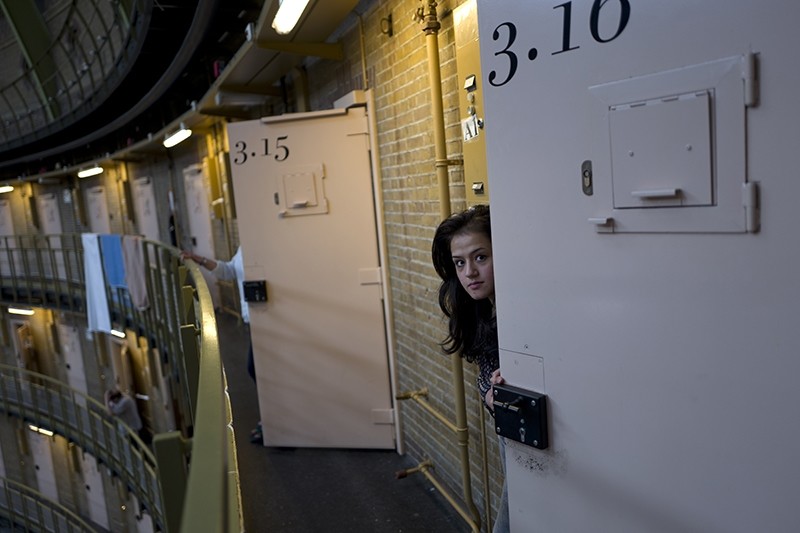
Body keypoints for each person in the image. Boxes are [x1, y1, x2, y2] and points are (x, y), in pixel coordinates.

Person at [431, 204, 509, 533]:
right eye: (460, 263)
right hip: (509, 432)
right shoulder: (480, 309)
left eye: (481, 258)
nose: (469, 274)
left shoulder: (522, 309)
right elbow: (484, 378)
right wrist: (491, 394)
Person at [180, 247, 262, 443]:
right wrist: (198, 259)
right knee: (258, 371)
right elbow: (229, 270)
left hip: (265, 319)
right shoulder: (245, 247)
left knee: (257, 370)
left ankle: (273, 423)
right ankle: (270, 421)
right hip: (254, 320)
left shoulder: (261, 242)